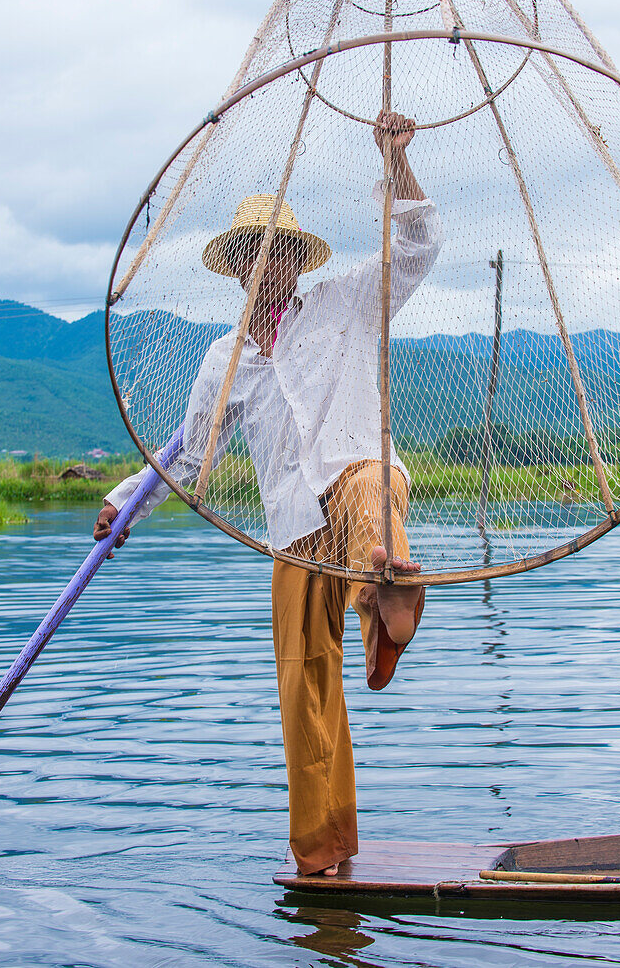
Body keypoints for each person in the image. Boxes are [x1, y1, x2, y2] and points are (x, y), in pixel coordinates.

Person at [94, 111, 442, 876]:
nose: (266, 263)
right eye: (252, 252)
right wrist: (124, 504)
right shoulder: (224, 358)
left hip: (358, 482)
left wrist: (396, 165)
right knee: (305, 693)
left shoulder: (347, 301)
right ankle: (323, 854)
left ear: (294, 261)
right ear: (237, 264)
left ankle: (388, 602)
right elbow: (187, 454)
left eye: (278, 251)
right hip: (291, 532)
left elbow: (418, 249)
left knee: (374, 491)